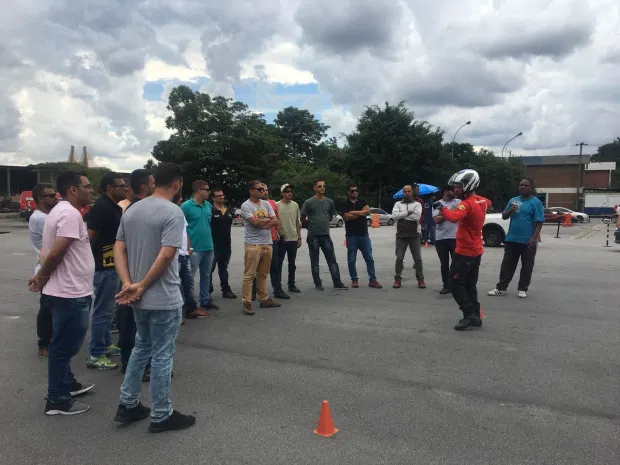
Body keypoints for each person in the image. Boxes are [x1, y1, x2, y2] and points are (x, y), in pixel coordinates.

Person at [113, 162, 195, 433]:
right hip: (162, 296)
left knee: (141, 348)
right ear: (177, 183)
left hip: (137, 296)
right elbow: (168, 253)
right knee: (162, 355)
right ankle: (161, 414)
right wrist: (143, 285)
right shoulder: (173, 211)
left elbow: (119, 248)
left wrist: (129, 284)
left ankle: (128, 404)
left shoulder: (133, 209)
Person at [28, 171, 95, 415]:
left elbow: (47, 251)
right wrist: (42, 277)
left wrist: (41, 277)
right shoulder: (68, 214)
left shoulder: (61, 212)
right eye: (87, 186)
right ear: (73, 190)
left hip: (65, 291)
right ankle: (57, 400)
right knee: (63, 347)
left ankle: (66, 384)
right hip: (69, 294)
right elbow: (55, 253)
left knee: (61, 344)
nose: (91, 190)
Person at [117, 169, 161, 378]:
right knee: (136, 325)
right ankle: (135, 365)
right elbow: (123, 247)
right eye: (153, 182)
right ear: (144, 186)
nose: (155, 186)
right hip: (138, 276)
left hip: (133, 276)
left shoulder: (132, 209)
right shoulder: (139, 210)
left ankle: (134, 363)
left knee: (134, 324)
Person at [435, 169, 492, 331]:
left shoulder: (466, 204)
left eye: (459, 186)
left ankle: (469, 315)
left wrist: (442, 208)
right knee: (469, 285)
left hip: (465, 251)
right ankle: (476, 315)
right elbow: (489, 202)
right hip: (476, 250)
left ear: (468, 185)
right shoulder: (481, 201)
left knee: (454, 284)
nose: (456, 189)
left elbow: (453, 217)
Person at [86, 172, 126, 370]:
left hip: (113, 265)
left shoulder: (113, 207)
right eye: (121, 185)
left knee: (110, 309)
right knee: (102, 310)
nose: (125, 188)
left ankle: (106, 343)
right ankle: (96, 353)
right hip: (104, 266)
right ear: (110, 188)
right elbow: (89, 237)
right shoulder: (101, 208)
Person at [488, 178, 544, 299]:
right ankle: (501, 288)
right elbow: (504, 216)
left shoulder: (536, 202)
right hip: (512, 238)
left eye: (526, 185)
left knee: (527, 266)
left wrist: (534, 238)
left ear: (531, 187)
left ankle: (522, 288)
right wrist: (510, 210)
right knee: (507, 265)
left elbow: (539, 222)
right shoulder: (513, 200)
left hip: (528, 241)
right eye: (521, 185)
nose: (522, 187)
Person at [240, 180, 282, 315]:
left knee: (263, 274)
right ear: (251, 190)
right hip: (253, 244)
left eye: (264, 190)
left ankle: (264, 299)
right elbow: (255, 223)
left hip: (267, 243)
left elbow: (276, 221)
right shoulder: (246, 205)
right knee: (249, 275)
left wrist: (263, 223)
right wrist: (267, 222)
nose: (263, 192)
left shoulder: (266, 204)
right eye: (259, 189)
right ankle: (247, 302)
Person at [300, 179, 348, 291]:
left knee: (332, 259)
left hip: (326, 234)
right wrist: (310, 226)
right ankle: (318, 283)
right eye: (320, 186)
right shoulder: (309, 202)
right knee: (314, 260)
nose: (322, 188)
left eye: (324, 186)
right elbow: (302, 217)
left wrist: (325, 221)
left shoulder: (329, 202)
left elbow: (331, 215)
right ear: (315, 188)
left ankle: (337, 282)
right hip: (313, 236)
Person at [28, 184, 58, 357]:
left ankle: (48, 341)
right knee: (47, 308)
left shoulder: (45, 216)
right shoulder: (40, 218)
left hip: (48, 264)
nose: (55, 198)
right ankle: (44, 344)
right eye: (51, 195)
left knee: (51, 306)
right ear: (40, 198)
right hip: (46, 266)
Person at [181, 180, 218, 311]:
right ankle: (187, 304)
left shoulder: (208, 205)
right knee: (189, 278)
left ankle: (205, 300)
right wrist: (187, 246)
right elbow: (181, 228)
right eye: (206, 190)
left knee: (206, 275)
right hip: (194, 248)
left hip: (208, 246)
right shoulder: (186, 206)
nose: (209, 192)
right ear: (198, 190)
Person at [341, 184, 381, 289]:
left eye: (356, 190)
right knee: (351, 260)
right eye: (352, 191)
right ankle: (354, 280)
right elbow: (346, 217)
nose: (355, 192)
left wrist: (353, 212)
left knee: (369, 258)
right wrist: (360, 213)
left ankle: (373, 280)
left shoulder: (363, 202)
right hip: (351, 236)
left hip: (364, 235)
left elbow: (367, 212)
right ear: (348, 193)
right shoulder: (345, 204)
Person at [391, 185, 425, 289]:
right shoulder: (397, 204)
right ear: (402, 193)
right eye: (405, 192)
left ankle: (420, 279)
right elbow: (394, 216)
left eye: (409, 191)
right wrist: (409, 212)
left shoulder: (417, 204)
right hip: (401, 235)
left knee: (418, 258)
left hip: (414, 235)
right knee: (399, 258)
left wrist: (402, 215)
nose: (407, 193)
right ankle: (397, 279)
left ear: (412, 192)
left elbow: (417, 217)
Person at [432, 186, 460, 295]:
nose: (455, 192)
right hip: (441, 238)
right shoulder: (437, 203)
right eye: (452, 190)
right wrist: (449, 213)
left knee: (456, 263)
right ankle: (446, 285)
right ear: (446, 191)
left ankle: (456, 285)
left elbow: (458, 217)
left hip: (455, 238)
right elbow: (435, 220)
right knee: (444, 264)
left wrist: (443, 213)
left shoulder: (458, 202)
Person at [210, 187, 237, 299]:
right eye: (218, 196)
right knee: (209, 270)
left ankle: (225, 290)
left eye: (222, 195)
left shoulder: (229, 210)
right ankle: (207, 292)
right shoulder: (210, 210)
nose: (221, 197)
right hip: (213, 245)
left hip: (226, 245)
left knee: (223, 268)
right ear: (213, 198)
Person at [276, 183, 302, 294]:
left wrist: (299, 237)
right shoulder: (277, 205)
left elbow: (297, 222)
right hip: (281, 238)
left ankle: (291, 284)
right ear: (282, 193)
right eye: (287, 191)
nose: (289, 193)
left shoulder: (295, 205)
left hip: (293, 238)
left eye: (291, 191)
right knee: (279, 264)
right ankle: (278, 286)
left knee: (292, 264)